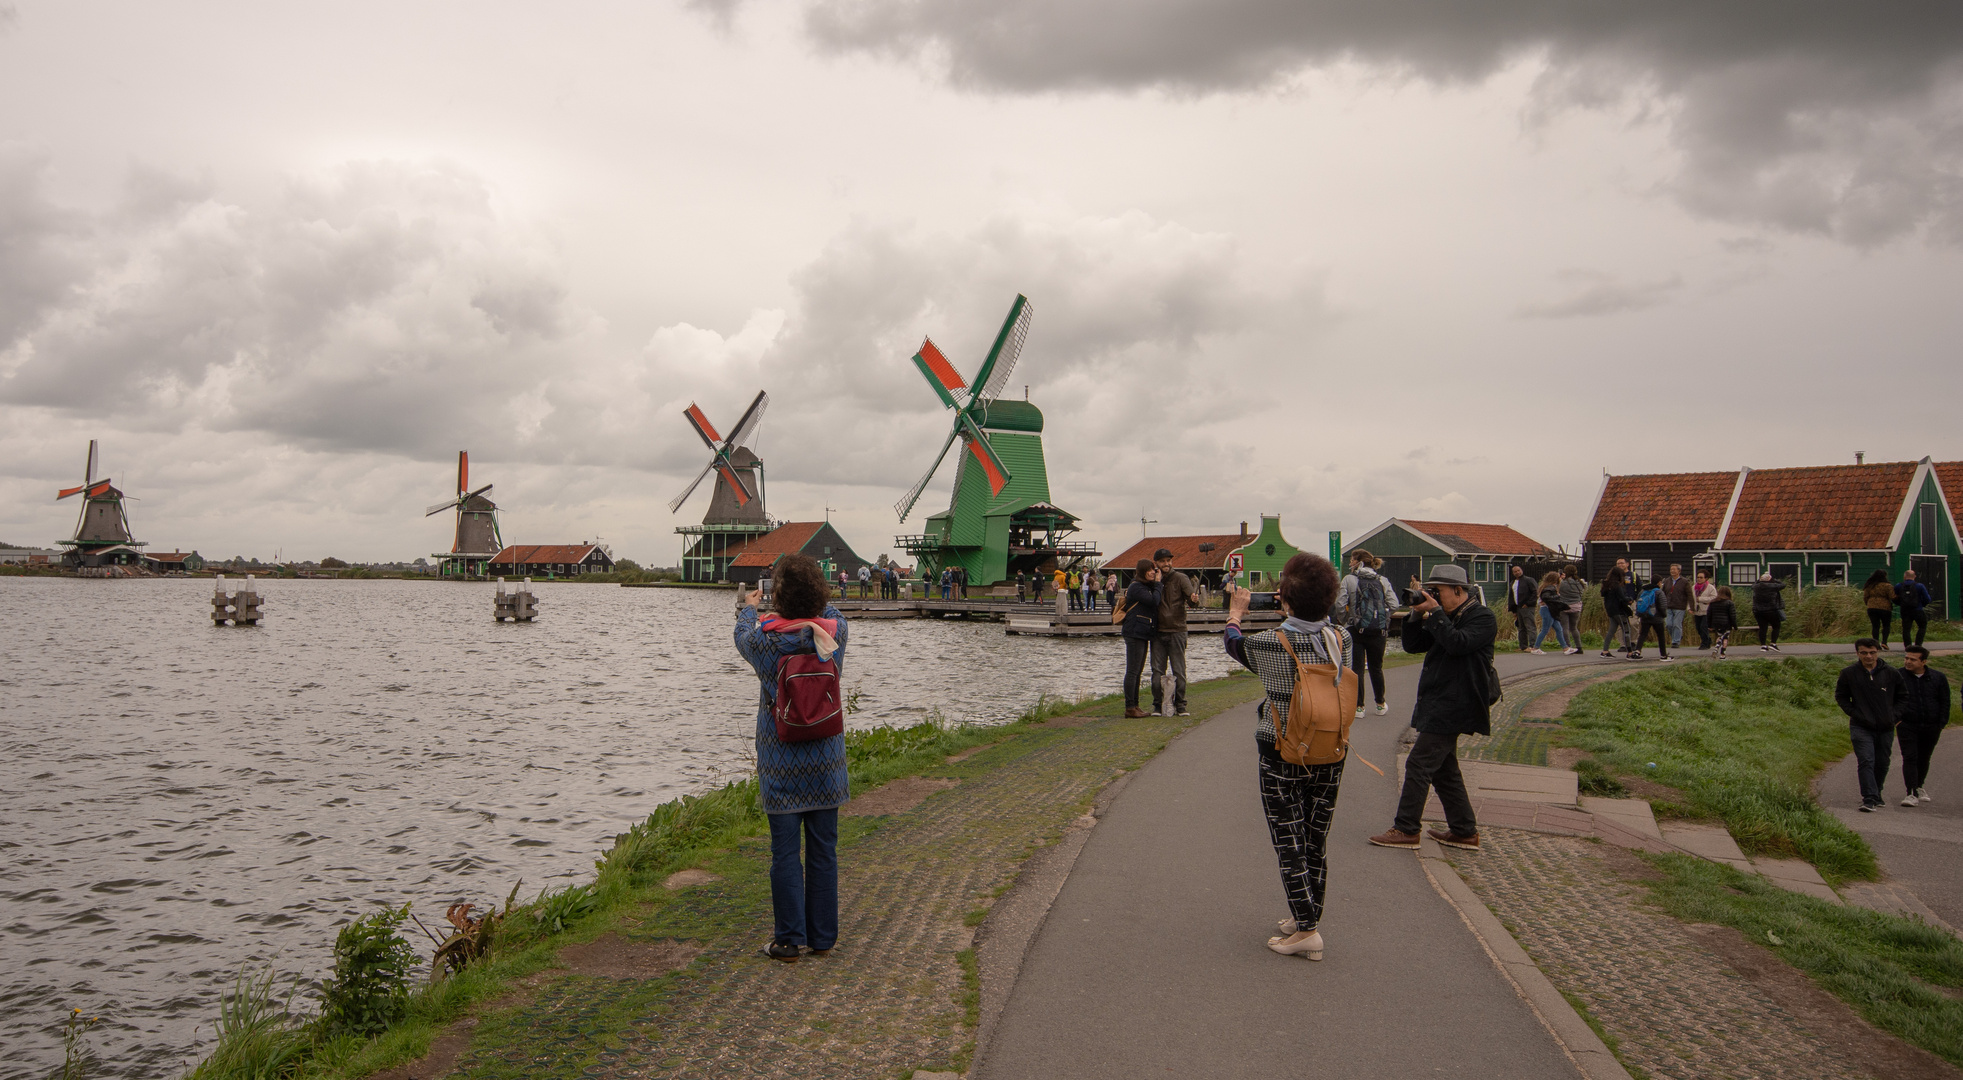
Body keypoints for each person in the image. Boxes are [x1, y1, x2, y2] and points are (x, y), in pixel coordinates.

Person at [1223, 554, 1352, 961]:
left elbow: (1233, 644)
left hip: (1281, 750)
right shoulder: (1341, 639)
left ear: (1286, 602)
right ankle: (1306, 916)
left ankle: (1308, 930)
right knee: (1315, 836)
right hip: (1330, 749)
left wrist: (1235, 611)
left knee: (1288, 839)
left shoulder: (1270, 643)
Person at [733, 553, 849, 961]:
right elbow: (829, 609)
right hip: (827, 763)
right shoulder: (835, 634)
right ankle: (822, 938)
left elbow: (742, 633)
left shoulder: (765, 642)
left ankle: (788, 940)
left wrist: (749, 607)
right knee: (823, 852)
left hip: (782, 763)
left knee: (784, 854)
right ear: (819, 593)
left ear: (777, 595)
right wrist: (810, 599)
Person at [1371, 563, 1495, 852]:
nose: (1432, 596)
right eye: (1430, 591)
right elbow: (1414, 646)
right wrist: (1416, 613)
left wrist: (1436, 613)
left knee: (1418, 763)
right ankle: (1464, 832)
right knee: (1444, 770)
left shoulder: (1482, 617)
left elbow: (1457, 644)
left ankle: (1406, 829)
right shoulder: (1445, 615)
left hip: (1458, 703)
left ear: (1458, 590)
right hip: (1438, 700)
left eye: (1436, 591)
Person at [1835, 637, 1904, 812]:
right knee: (1866, 760)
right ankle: (1869, 798)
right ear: (1857, 653)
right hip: (1861, 725)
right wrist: (1855, 713)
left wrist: (1894, 716)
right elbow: (1841, 696)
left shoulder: (1891, 673)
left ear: (1877, 652)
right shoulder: (1849, 673)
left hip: (1886, 726)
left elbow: (1903, 697)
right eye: (1864, 653)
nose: (1868, 656)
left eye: (1872, 652)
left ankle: (1877, 792)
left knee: (1882, 762)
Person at [1338, 550, 1395, 718]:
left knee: (1357, 669)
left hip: (1355, 630)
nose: (1349, 564)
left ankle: (1359, 707)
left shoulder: (1349, 580)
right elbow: (1394, 604)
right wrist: (1383, 618)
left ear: (1358, 562)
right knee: (1376, 668)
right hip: (1378, 631)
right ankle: (1380, 703)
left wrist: (1345, 620)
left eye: (1351, 560)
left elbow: (1340, 604)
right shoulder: (1383, 580)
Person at [1897, 645, 1950, 806]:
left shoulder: (1938, 677)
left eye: (1913, 659)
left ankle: (1919, 786)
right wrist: (1896, 719)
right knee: (1910, 756)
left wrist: (1941, 723)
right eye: (1906, 658)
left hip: (1931, 725)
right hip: (1907, 724)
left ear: (1924, 661)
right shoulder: (1898, 676)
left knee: (1924, 757)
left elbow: (1945, 701)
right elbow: (1890, 699)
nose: (1908, 662)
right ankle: (1910, 793)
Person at [1151, 547, 1201, 717]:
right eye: (1163, 561)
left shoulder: (1181, 578)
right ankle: (1158, 705)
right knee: (1157, 670)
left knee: (1179, 669)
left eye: (1168, 560)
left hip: (1177, 630)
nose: (1166, 563)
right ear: (1156, 563)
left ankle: (1180, 705)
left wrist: (1194, 600)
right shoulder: (1153, 579)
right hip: (1157, 631)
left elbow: (1192, 600)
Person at [1119, 559, 1163, 718]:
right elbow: (1154, 601)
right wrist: (1158, 584)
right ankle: (1130, 706)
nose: (1153, 572)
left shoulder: (1144, 586)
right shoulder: (1136, 587)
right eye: (1150, 570)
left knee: (1137, 670)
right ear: (1142, 571)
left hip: (1142, 632)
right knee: (1132, 670)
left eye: (1154, 570)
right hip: (1134, 632)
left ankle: (1135, 705)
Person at [1598, 563, 1634, 658]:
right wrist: (1630, 599)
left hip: (1610, 610)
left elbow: (1603, 595)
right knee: (1626, 630)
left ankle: (1605, 651)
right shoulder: (1617, 586)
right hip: (1619, 610)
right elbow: (1622, 598)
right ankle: (1630, 652)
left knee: (1611, 630)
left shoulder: (1605, 584)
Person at [1633, 577, 1672, 661]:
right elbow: (1663, 606)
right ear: (1659, 582)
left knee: (1642, 634)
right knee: (1661, 636)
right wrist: (1663, 615)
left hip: (1644, 616)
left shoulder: (1643, 591)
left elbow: (1638, 602)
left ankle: (1637, 651)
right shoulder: (1659, 592)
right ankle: (1663, 655)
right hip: (1657, 618)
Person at [1504, 564, 1539, 653]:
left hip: (1527, 607)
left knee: (1530, 626)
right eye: (1515, 571)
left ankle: (1533, 645)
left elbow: (1535, 592)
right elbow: (1511, 596)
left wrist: (1528, 603)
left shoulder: (1528, 580)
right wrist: (1513, 610)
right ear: (1513, 573)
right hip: (1518, 607)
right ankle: (1523, 646)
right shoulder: (1513, 582)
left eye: (1518, 570)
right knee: (1521, 627)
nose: (1517, 572)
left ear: (1521, 570)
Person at [1532, 571, 1568, 653]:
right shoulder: (1549, 588)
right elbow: (1546, 598)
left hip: (1549, 610)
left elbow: (1541, 599)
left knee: (1559, 629)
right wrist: (1557, 596)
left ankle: (1565, 647)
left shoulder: (1544, 587)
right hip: (1547, 610)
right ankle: (1536, 647)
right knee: (1545, 629)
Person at [1897, 570, 1932, 651]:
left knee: (1906, 629)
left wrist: (1901, 604)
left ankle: (1908, 646)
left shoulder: (1899, 586)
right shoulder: (1920, 586)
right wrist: (1922, 604)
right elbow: (1927, 599)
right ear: (1914, 576)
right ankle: (1918, 645)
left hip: (1905, 611)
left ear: (1904, 576)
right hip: (1917, 609)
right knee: (1922, 626)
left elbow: (1894, 597)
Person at [1557, 564, 1586, 655]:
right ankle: (1579, 647)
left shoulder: (1563, 583)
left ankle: (1568, 647)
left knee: (1565, 628)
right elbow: (1582, 591)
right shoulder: (1579, 582)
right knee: (1574, 628)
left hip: (1564, 606)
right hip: (1576, 606)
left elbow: (1558, 592)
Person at [1752, 572, 1785, 651]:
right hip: (1771, 610)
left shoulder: (1756, 587)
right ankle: (1773, 643)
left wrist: (1759, 580)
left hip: (1758, 611)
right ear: (1770, 580)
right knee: (1776, 626)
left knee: (1762, 628)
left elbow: (1753, 584)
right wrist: (1774, 579)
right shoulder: (1773, 586)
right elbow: (1783, 584)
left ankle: (1763, 645)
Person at [1863, 568, 1896, 649]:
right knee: (1886, 625)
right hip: (1885, 608)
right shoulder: (1887, 586)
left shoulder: (1869, 586)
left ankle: (1876, 643)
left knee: (1875, 626)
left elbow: (1865, 597)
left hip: (1871, 607)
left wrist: (1869, 604)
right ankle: (1884, 642)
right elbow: (1893, 596)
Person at [1663, 564, 1692, 650]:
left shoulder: (1684, 581)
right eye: (1671, 569)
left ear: (1679, 571)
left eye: (1674, 569)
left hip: (1679, 606)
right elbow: (1663, 592)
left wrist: (1691, 607)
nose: (1672, 571)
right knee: (1668, 624)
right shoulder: (1667, 581)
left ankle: (1676, 641)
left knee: (1677, 624)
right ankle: (1678, 636)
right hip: (1668, 606)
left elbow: (1689, 594)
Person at [1707, 585, 1738, 659]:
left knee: (1720, 635)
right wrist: (1735, 625)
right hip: (1726, 623)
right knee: (1725, 638)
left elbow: (1709, 614)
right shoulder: (1729, 603)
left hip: (1716, 623)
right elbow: (1732, 615)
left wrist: (1709, 625)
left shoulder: (1713, 602)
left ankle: (1716, 647)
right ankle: (1722, 654)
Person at [1691, 570, 1717, 650]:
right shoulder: (1693, 587)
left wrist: (1701, 599)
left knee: (1703, 627)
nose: (1699, 579)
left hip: (1706, 611)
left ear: (1706, 578)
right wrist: (1689, 608)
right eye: (1698, 577)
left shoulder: (1710, 588)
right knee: (1698, 628)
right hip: (1697, 610)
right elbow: (1690, 598)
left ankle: (1704, 643)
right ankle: (1708, 640)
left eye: (1701, 577)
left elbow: (1714, 598)